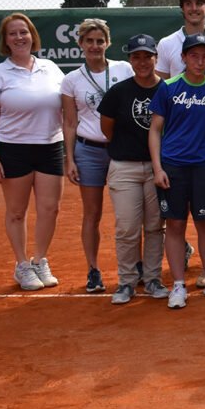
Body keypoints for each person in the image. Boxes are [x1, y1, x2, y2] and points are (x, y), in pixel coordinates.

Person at [0, 13, 66, 291]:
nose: (19, 37)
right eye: (13, 34)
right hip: (13, 149)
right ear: (5, 41)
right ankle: (21, 265)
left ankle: (39, 260)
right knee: (17, 212)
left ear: (33, 36)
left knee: (50, 209)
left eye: (24, 32)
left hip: (50, 146)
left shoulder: (51, 68)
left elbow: (68, 104)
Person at [148, 34, 205, 308]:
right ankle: (179, 285)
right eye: (194, 56)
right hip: (173, 167)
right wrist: (158, 168)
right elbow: (155, 130)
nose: (200, 61)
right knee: (174, 224)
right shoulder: (168, 88)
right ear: (183, 58)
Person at [61, 17, 134, 293]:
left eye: (100, 41)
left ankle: (135, 266)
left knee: (130, 213)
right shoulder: (71, 80)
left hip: (121, 150)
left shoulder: (124, 69)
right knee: (92, 214)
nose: (95, 46)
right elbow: (69, 122)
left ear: (108, 43)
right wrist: (70, 159)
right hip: (88, 151)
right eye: (89, 41)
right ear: (80, 43)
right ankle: (93, 270)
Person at [97, 34, 168, 304]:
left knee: (154, 226)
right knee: (127, 227)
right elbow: (107, 130)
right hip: (124, 167)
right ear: (130, 60)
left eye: (147, 56)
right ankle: (126, 282)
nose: (142, 62)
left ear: (155, 58)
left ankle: (152, 278)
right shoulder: (119, 92)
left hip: (157, 168)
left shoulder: (168, 89)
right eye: (136, 57)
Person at [155, 0, 205, 79]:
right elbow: (161, 86)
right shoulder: (166, 44)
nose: (194, 8)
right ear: (182, 8)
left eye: (199, 3)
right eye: (188, 4)